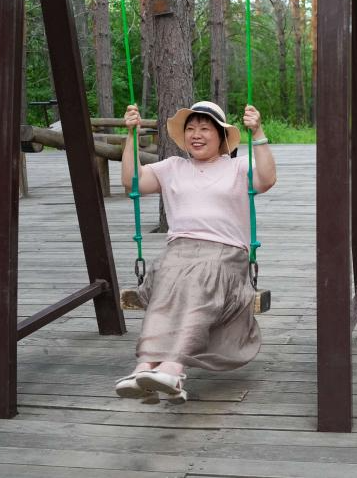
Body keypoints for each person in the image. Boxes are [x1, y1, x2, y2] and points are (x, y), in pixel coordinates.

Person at [114, 100, 276, 404]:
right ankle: (145, 368)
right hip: (179, 251)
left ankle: (173, 368)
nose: (196, 135)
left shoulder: (238, 167)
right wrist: (131, 136)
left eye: (204, 129)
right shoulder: (172, 168)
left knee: (202, 276)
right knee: (166, 275)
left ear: (221, 136)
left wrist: (258, 133)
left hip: (225, 253)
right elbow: (132, 181)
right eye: (191, 129)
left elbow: (266, 179)